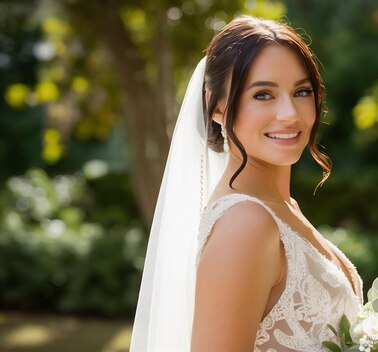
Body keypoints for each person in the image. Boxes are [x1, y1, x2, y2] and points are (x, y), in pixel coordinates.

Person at [130, 15, 363, 351]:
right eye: (263, 95)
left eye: (301, 91)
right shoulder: (246, 223)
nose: (289, 114)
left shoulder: (282, 209)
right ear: (217, 108)